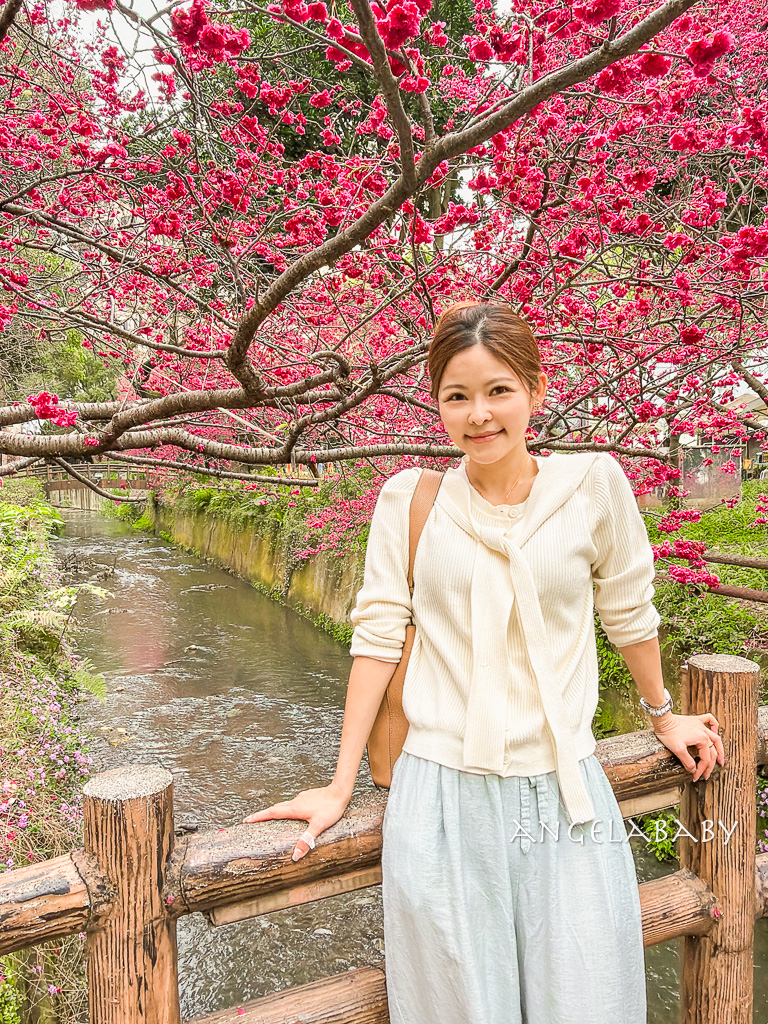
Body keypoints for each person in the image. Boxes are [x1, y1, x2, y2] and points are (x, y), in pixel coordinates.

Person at [243, 300, 726, 1024]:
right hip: (440, 800)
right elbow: (377, 638)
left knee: (588, 1002)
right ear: (435, 402)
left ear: (535, 388)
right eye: (456, 396)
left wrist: (661, 714)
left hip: (566, 799)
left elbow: (628, 613)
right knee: (461, 1009)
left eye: (498, 390)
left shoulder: (593, 486)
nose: (479, 415)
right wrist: (340, 784)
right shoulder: (411, 501)